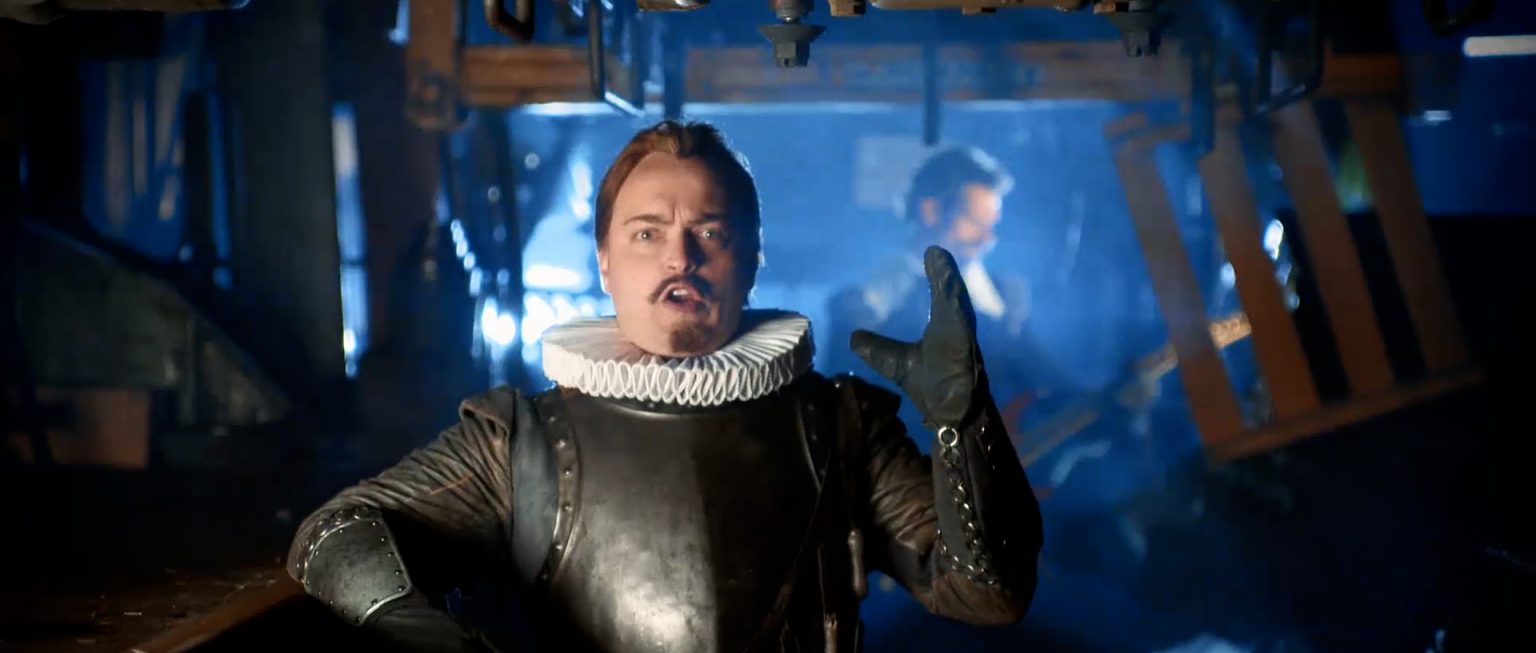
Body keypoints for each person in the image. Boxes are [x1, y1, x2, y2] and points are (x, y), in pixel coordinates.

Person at [286, 120, 1043, 652]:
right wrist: (418, 631)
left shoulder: (842, 422)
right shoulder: (518, 442)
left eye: (709, 232)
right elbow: (332, 532)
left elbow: (990, 594)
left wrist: (964, 421)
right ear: (605, 260)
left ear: (752, 258)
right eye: (647, 233)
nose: (679, 257)